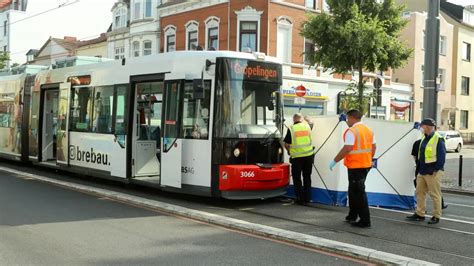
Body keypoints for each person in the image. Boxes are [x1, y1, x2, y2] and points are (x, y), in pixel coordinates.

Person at [329, 109, 376, 228]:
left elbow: (347, 148)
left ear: (351, 117)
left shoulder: (352, 131)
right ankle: (352, 215)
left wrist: (335, 160)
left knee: (359, 193)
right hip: (365, 165)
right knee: (353, 191)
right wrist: (369, 159)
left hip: (356, 166)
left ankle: (365, 221)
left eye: (347, 118)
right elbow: (373, 147)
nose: (346, 121)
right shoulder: (368, 130)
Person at [406, 118, 446, 224]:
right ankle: (420, 214)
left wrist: (436, 169)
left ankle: (436, 216)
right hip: (422, 170)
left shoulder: (438, 139)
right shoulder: (424, 137)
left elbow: (442, 157)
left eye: (422, 126)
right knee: (420, 192)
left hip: (433, 171)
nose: (421, 128)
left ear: (427, 127)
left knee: (435, 194)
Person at [284, 113, 315, 205]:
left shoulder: (292, 128)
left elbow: (286, 144)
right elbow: (311, 122)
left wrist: (289, 151)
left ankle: (300, 198)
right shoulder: (307, 126)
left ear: (294, 120)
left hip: (297, 157)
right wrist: (307, 118)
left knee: (297, 178)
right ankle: (307, 198)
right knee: (307, 177)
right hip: (309, 156)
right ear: (301, 119)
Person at [411, 139, 448, 209]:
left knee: (420, 192)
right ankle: (440, 205)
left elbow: (414, 156)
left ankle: (421, 210)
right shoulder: (435, 142)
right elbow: (441, 157)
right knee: (435, 190)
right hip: (431, 170)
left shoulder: (417, 142)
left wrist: (417, 163)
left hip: (420, 169)